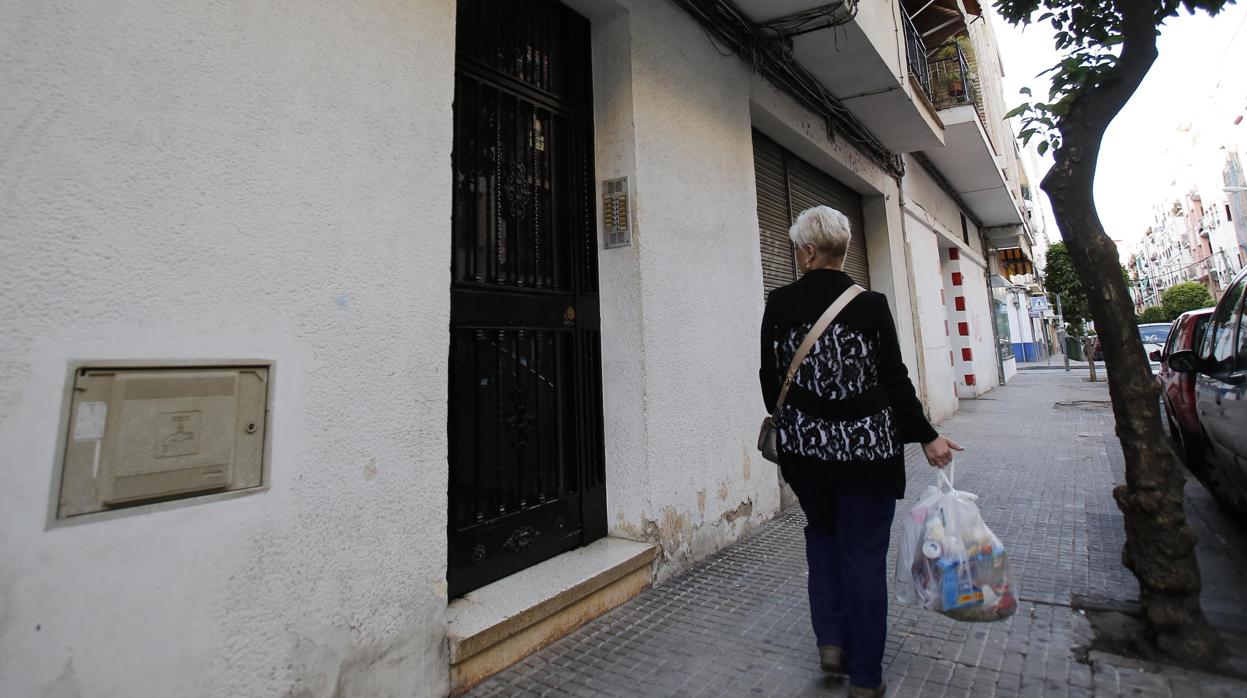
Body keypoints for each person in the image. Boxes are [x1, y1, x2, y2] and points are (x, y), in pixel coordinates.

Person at [759, 205, 961, 698]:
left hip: (806, 458)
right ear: (841, 250)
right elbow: (894, 380)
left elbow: (769, 382)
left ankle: (831, 642)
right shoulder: (870, 305)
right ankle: (866, 678)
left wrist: (808, 419)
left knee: (822, 538)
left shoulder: (779, 303)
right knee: (863, 556)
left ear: (808, 251)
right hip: (868, 457)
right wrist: (927, 434)